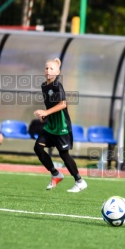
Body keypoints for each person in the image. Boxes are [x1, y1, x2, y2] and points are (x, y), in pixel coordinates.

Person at [33, 58, 87, 193]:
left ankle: (79, 181)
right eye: (46, 68)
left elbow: (63, 104)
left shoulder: (57, 85)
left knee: (64, 154)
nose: (48, 71)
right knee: (38, 148)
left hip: (61, 125)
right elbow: (51, 105)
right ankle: (55, 174)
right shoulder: (44, 86)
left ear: (57, 72)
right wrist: (45, 115)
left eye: (51, 69)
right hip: (50, 125)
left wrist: (46, 112)